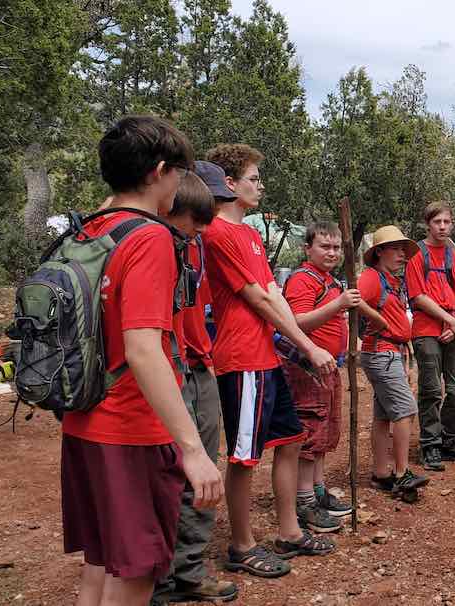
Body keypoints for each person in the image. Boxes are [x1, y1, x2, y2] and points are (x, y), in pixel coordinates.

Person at [61, 116, 222, 606]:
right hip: (132, 429)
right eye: (179, 173)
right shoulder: (151, 239)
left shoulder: (91, 228)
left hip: (83, 419)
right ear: (158, 172)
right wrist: (192, 450)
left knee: (100, 560)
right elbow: (144, 348)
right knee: (137, 572)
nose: (180, 184)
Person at [205, 143, 338, 577]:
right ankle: (242, 545)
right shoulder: (219, 233)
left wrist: (299, 345)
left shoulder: (248, 233)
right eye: (253, 179)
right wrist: (308, 345)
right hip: (241, 357)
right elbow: (259, 298)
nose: (260, 186)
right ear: (229, 184)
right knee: (245, 455)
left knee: (291, 437)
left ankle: (289, 532)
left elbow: (273, 293)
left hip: (265, 354)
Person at [152, 165, 237, 604]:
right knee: (171, 471)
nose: (211, 219)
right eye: (206, 208)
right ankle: (157, 576)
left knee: (204, 468)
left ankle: (186, 569)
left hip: (199, 360)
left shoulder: (198, 245)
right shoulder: (157, 243)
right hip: (167, 365)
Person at [281, 222, 363, 530]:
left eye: (336, 247)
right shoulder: (303, 280)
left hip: (328, 367)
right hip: (306, 368)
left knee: (326, 431)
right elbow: (297, 322)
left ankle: (317, 490)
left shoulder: (328, 279)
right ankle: (304, 501)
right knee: (311, 431)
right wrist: (338, 305)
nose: (332, 253)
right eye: (324, 247)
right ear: (308, 249)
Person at [358, 226, 432, 500]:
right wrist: (377, 320)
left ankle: (381, 472)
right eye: (396, 249)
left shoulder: (391, 280)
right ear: (379, 252)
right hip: (381, 352)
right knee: (405, 410)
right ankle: (402, 473)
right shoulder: (371, 278)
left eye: (404, 250)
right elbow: (354, 300)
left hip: (390, 352)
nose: (402, 255)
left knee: (384, 415)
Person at [405, 201, 455, 472]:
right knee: (432, 389)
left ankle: (448, 440)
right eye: (438, 222)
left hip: (452, 326)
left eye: (447, 222)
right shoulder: (416, 255)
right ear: (428, 224)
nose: (443, 227)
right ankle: (430, 444)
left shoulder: (454, 257)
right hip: (426, 328)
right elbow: (418, 296)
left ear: (452, 223)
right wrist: (449, 320)